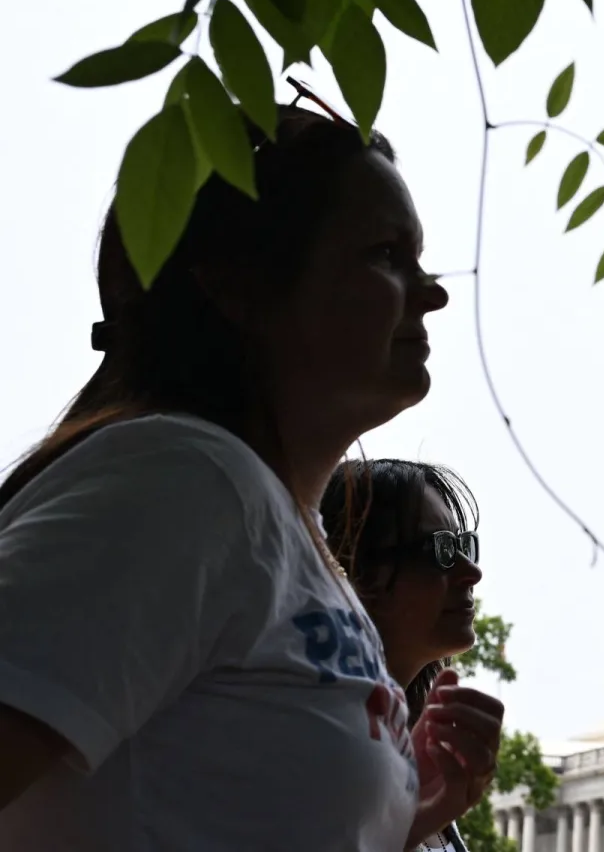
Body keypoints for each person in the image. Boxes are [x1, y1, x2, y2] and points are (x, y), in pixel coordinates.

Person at [0, 100, 504, 850]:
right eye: (384, 256)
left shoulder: (276, 527)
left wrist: (401, 816)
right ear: (239, 289)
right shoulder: (183, 486)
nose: (432, 291)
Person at [321, 459, 490, 852]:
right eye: (439, 550)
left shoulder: (418, 759)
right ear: (354, 569)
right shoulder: (315, 743)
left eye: (463, 546)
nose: (472, 573)